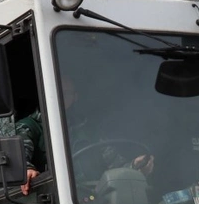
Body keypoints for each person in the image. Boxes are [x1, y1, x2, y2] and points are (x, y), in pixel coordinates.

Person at [14, 75, 154, 196]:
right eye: (55, 91)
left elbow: (114, 165)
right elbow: (19, 154)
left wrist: (135, 166)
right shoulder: (29, 126)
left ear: (75, 97)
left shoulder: (89, 130)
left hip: (96, 201)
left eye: (66, 93)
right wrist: (26, 169)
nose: (59, 97)